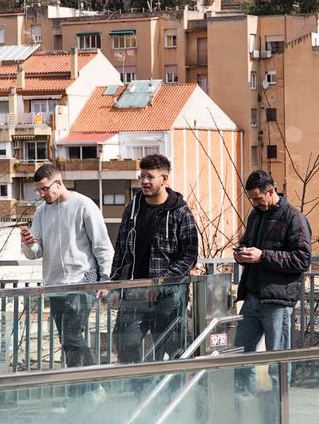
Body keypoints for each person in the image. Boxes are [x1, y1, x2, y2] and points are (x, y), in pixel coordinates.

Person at [21, 164, 114, 372]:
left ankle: (91, 383)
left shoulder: (84, 205)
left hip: (83, 281)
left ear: (59, 183)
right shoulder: (41, 212)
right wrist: (28, 243)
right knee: (68, 340)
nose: (41, 194)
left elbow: (102, 245)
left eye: (45, 189)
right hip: (54, 285)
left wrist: (105, 279)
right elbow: (36, 252)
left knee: (72, 335)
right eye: (38, 190)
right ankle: (83, 385)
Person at [110, 154, 199, 363]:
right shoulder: (132, 209)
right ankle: (136, 383)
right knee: (125, 346)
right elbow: (121, 250)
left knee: (169, 350)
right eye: (142, 176)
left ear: (164, 178)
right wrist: (114, 285)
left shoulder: (180, 212)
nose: (144, 181)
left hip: (168, 296)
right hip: (134, 293)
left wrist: (160, 283)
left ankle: (170, 384)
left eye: (150, 177)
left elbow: (190, 256)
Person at [233, 170, 311, 392]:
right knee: (240, 356)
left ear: (270, 191)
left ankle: (278, 408)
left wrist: (263, 256)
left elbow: (302, 260)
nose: (255, 203)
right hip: (252, 297)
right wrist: (241, 254)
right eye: (252, 199)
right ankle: (243, 402)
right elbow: (246, 242)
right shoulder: (256, 215)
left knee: (277, 361)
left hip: (277, 302)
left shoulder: (294, 218)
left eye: (258, 198)